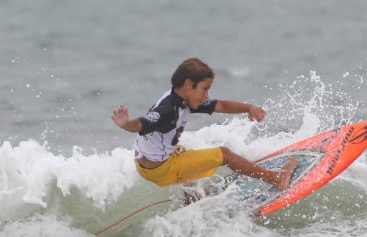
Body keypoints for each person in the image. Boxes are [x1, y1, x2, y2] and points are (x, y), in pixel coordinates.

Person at [111, 57, 298, 190]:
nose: (207, 95)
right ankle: (276, 178)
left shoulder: (181, 99)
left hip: (149, 164)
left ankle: (193, 199)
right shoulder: (167, 110)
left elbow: (220, 105)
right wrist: (126, 124)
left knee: (187, 150)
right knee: (225, 154)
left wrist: (248, 107)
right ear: (188, 85)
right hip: (161, 168)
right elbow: (143, 124)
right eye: (205, 88)